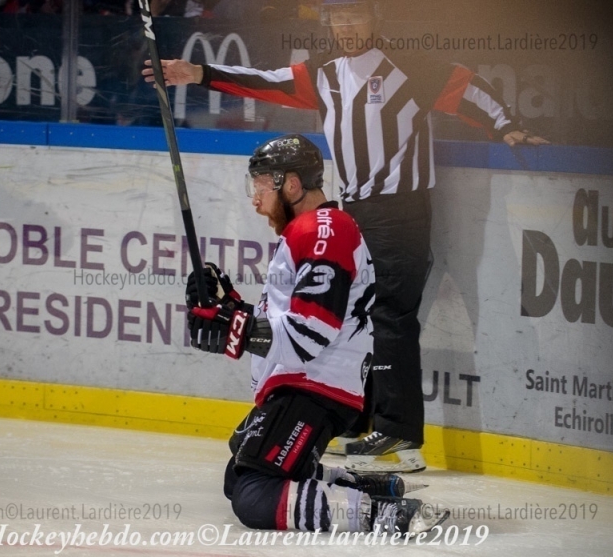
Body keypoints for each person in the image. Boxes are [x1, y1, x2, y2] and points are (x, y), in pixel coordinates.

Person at [145, 0, 548, 473]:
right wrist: (197, 74)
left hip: (401, 209)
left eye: (355, 15)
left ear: (376, 16)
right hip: (355, 209)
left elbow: (467, 87)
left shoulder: (408, 65)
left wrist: (508, 126)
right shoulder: (325, 73)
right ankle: (357, 420)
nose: (347, 25)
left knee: (391, 314)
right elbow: (267, 81)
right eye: (338, 17)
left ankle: (398, 435)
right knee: (351, 314)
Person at [183, 133, 448, 535]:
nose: (254, 199)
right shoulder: (310, 231)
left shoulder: (324, 228)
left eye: (260, 186)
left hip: (314, 386)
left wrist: (231, 331)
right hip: (307, 384)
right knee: (238, 474)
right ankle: (365, 487)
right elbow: (287, 321)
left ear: (290, 184)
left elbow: (309, 335)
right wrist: (230, 307)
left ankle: (384, 515)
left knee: (255, 496)